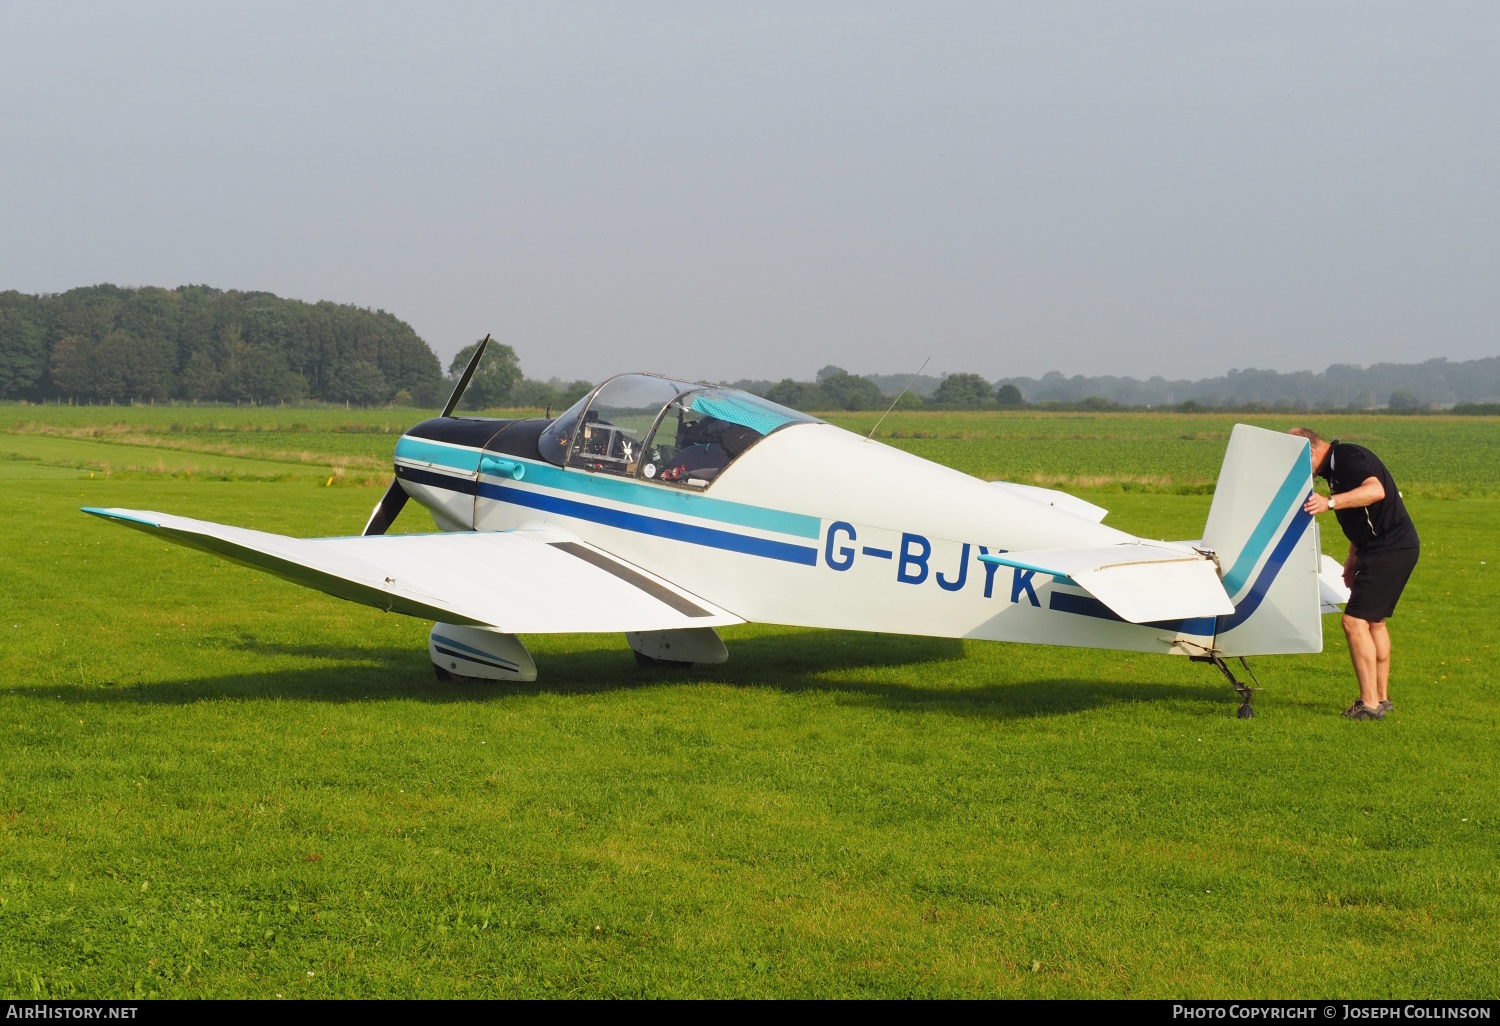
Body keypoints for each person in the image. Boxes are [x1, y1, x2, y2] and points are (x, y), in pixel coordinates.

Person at [1290, 428, 1420, 721]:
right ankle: (1381, 699)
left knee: (1353, 621)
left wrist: (1329, 503)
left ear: (1309, 452)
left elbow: (1375, 491)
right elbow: (1364, 512)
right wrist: (1352, 556)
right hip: (1384, 548)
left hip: (1389, 548)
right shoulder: (1335, 468)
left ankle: (1368, 705)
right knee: (1374, 622)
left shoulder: (1347, 457)